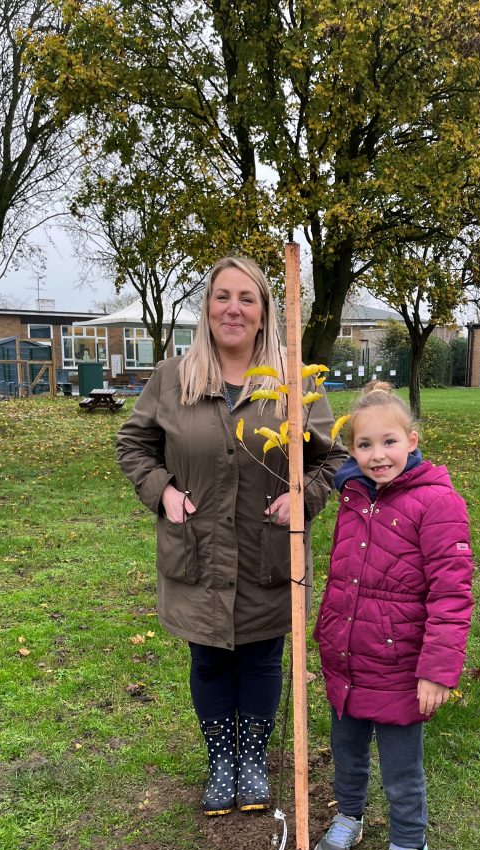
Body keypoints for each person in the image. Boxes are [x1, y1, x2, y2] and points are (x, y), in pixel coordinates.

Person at [116, 255, 346, 816]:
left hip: (268, 550)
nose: (234, 309)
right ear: (208, 307)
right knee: (211, 658)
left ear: (266, 311)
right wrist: (164, 491)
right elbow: (133, 445)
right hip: (198, 550)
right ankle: (222, 761)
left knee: (263, 656)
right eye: (223, 296)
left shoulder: (293, 383)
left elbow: (332, 456)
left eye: (247, 298)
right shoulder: (174, 378)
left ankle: (252, 759)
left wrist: (305, 496)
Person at [313, 380, 473, 850]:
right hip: (349, 656)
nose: (377, 456)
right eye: (364, 445)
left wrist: (436, 669)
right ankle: (349, 816)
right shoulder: (354, 495)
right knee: (347, 749)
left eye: (388, 442)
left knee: (401, 766)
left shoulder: (437, 503)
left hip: (404, 666)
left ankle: (410, 846)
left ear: (412, 440)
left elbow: (452, 593)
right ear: (351, 450)